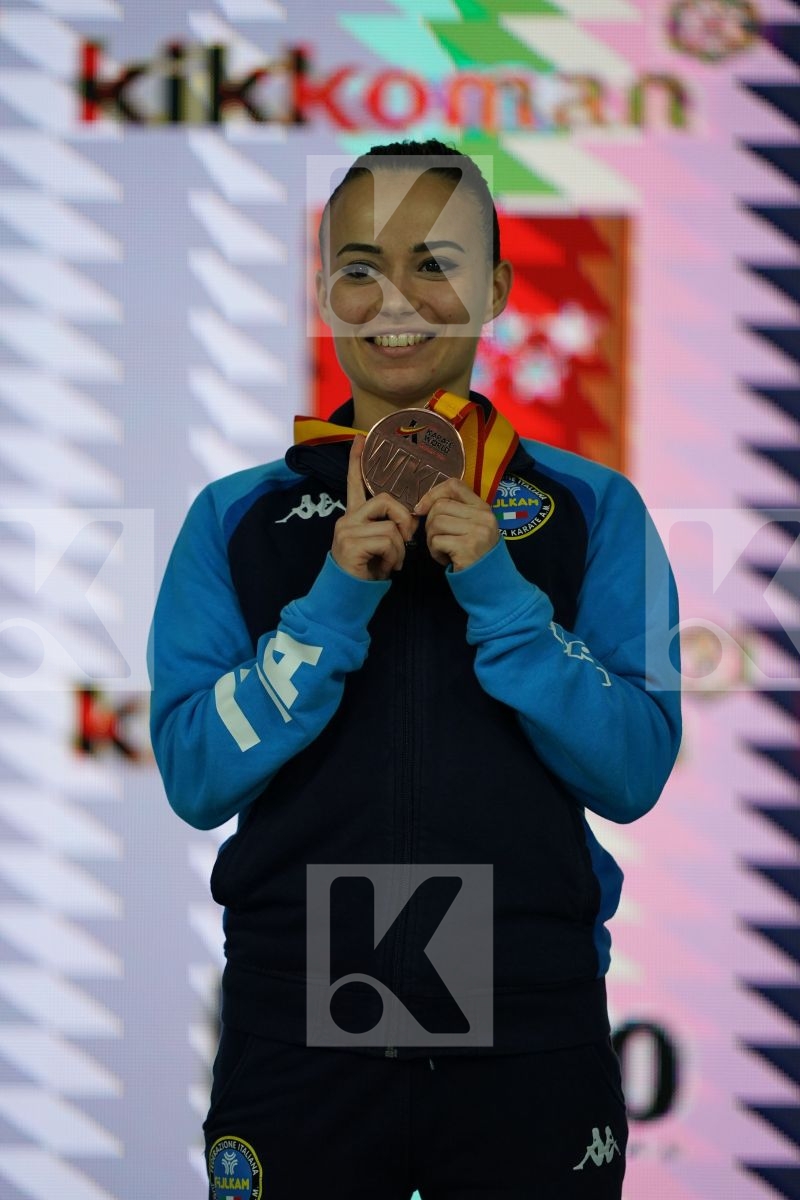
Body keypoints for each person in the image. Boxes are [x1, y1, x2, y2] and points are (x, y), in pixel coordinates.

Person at [148, 138, 681, 1200]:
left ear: (493, 289)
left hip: (528, 1030)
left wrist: (500, 596)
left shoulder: (590, 512)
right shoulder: (237, 518)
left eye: (434, 263)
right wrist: (331, 604)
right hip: (298, 1030)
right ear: (323, 293)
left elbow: (630, 771)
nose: (393, 295)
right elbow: (195, 776)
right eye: (357, 266)